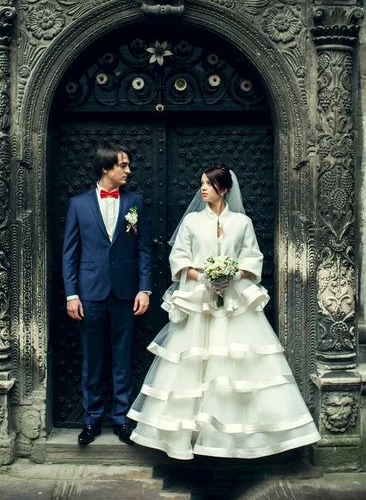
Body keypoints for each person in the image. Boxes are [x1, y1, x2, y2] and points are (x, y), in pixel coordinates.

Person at [128, 164, 320, 459]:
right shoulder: (192, 221)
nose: (203, 188)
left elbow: (253, 259)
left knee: (234, 368)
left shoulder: (242, 222)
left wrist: (232, 275)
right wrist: (204, 277)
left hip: (234, 303)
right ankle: (189, 435)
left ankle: (234, 440)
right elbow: (179, 259)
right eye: (201, 183)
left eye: (208, 184)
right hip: (199, 302)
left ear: (224, 189)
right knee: (193, 365)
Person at [62, 143, 152, 445]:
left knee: (122, 359)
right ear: (105, 168)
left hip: (126, 294)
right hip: (89, 294)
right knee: (92, 359)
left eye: (128, 165)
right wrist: (71, 295)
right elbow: (70, 254)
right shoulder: (78, 204)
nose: (128, 170)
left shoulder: (135, 202)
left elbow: (143, 249)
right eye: (123, 165)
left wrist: (145, 288)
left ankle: (122, 420)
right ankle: (91, 422)